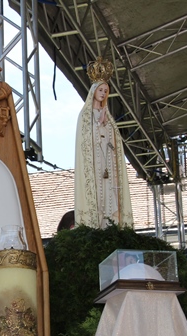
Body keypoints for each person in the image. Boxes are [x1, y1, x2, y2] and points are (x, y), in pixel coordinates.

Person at [74, 57, 133, 229]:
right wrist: (98, 125)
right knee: (97, 194)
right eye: (100, 90)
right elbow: (85, 141)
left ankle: (110, 222)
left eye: (106, 91)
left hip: (107, 163)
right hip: (94, 163)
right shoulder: (85, 116)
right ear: (94, 91)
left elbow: (114, 142)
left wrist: (107, 129)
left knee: (109, 193)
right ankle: (95, 223)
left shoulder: (109, 118)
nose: (103, 93)